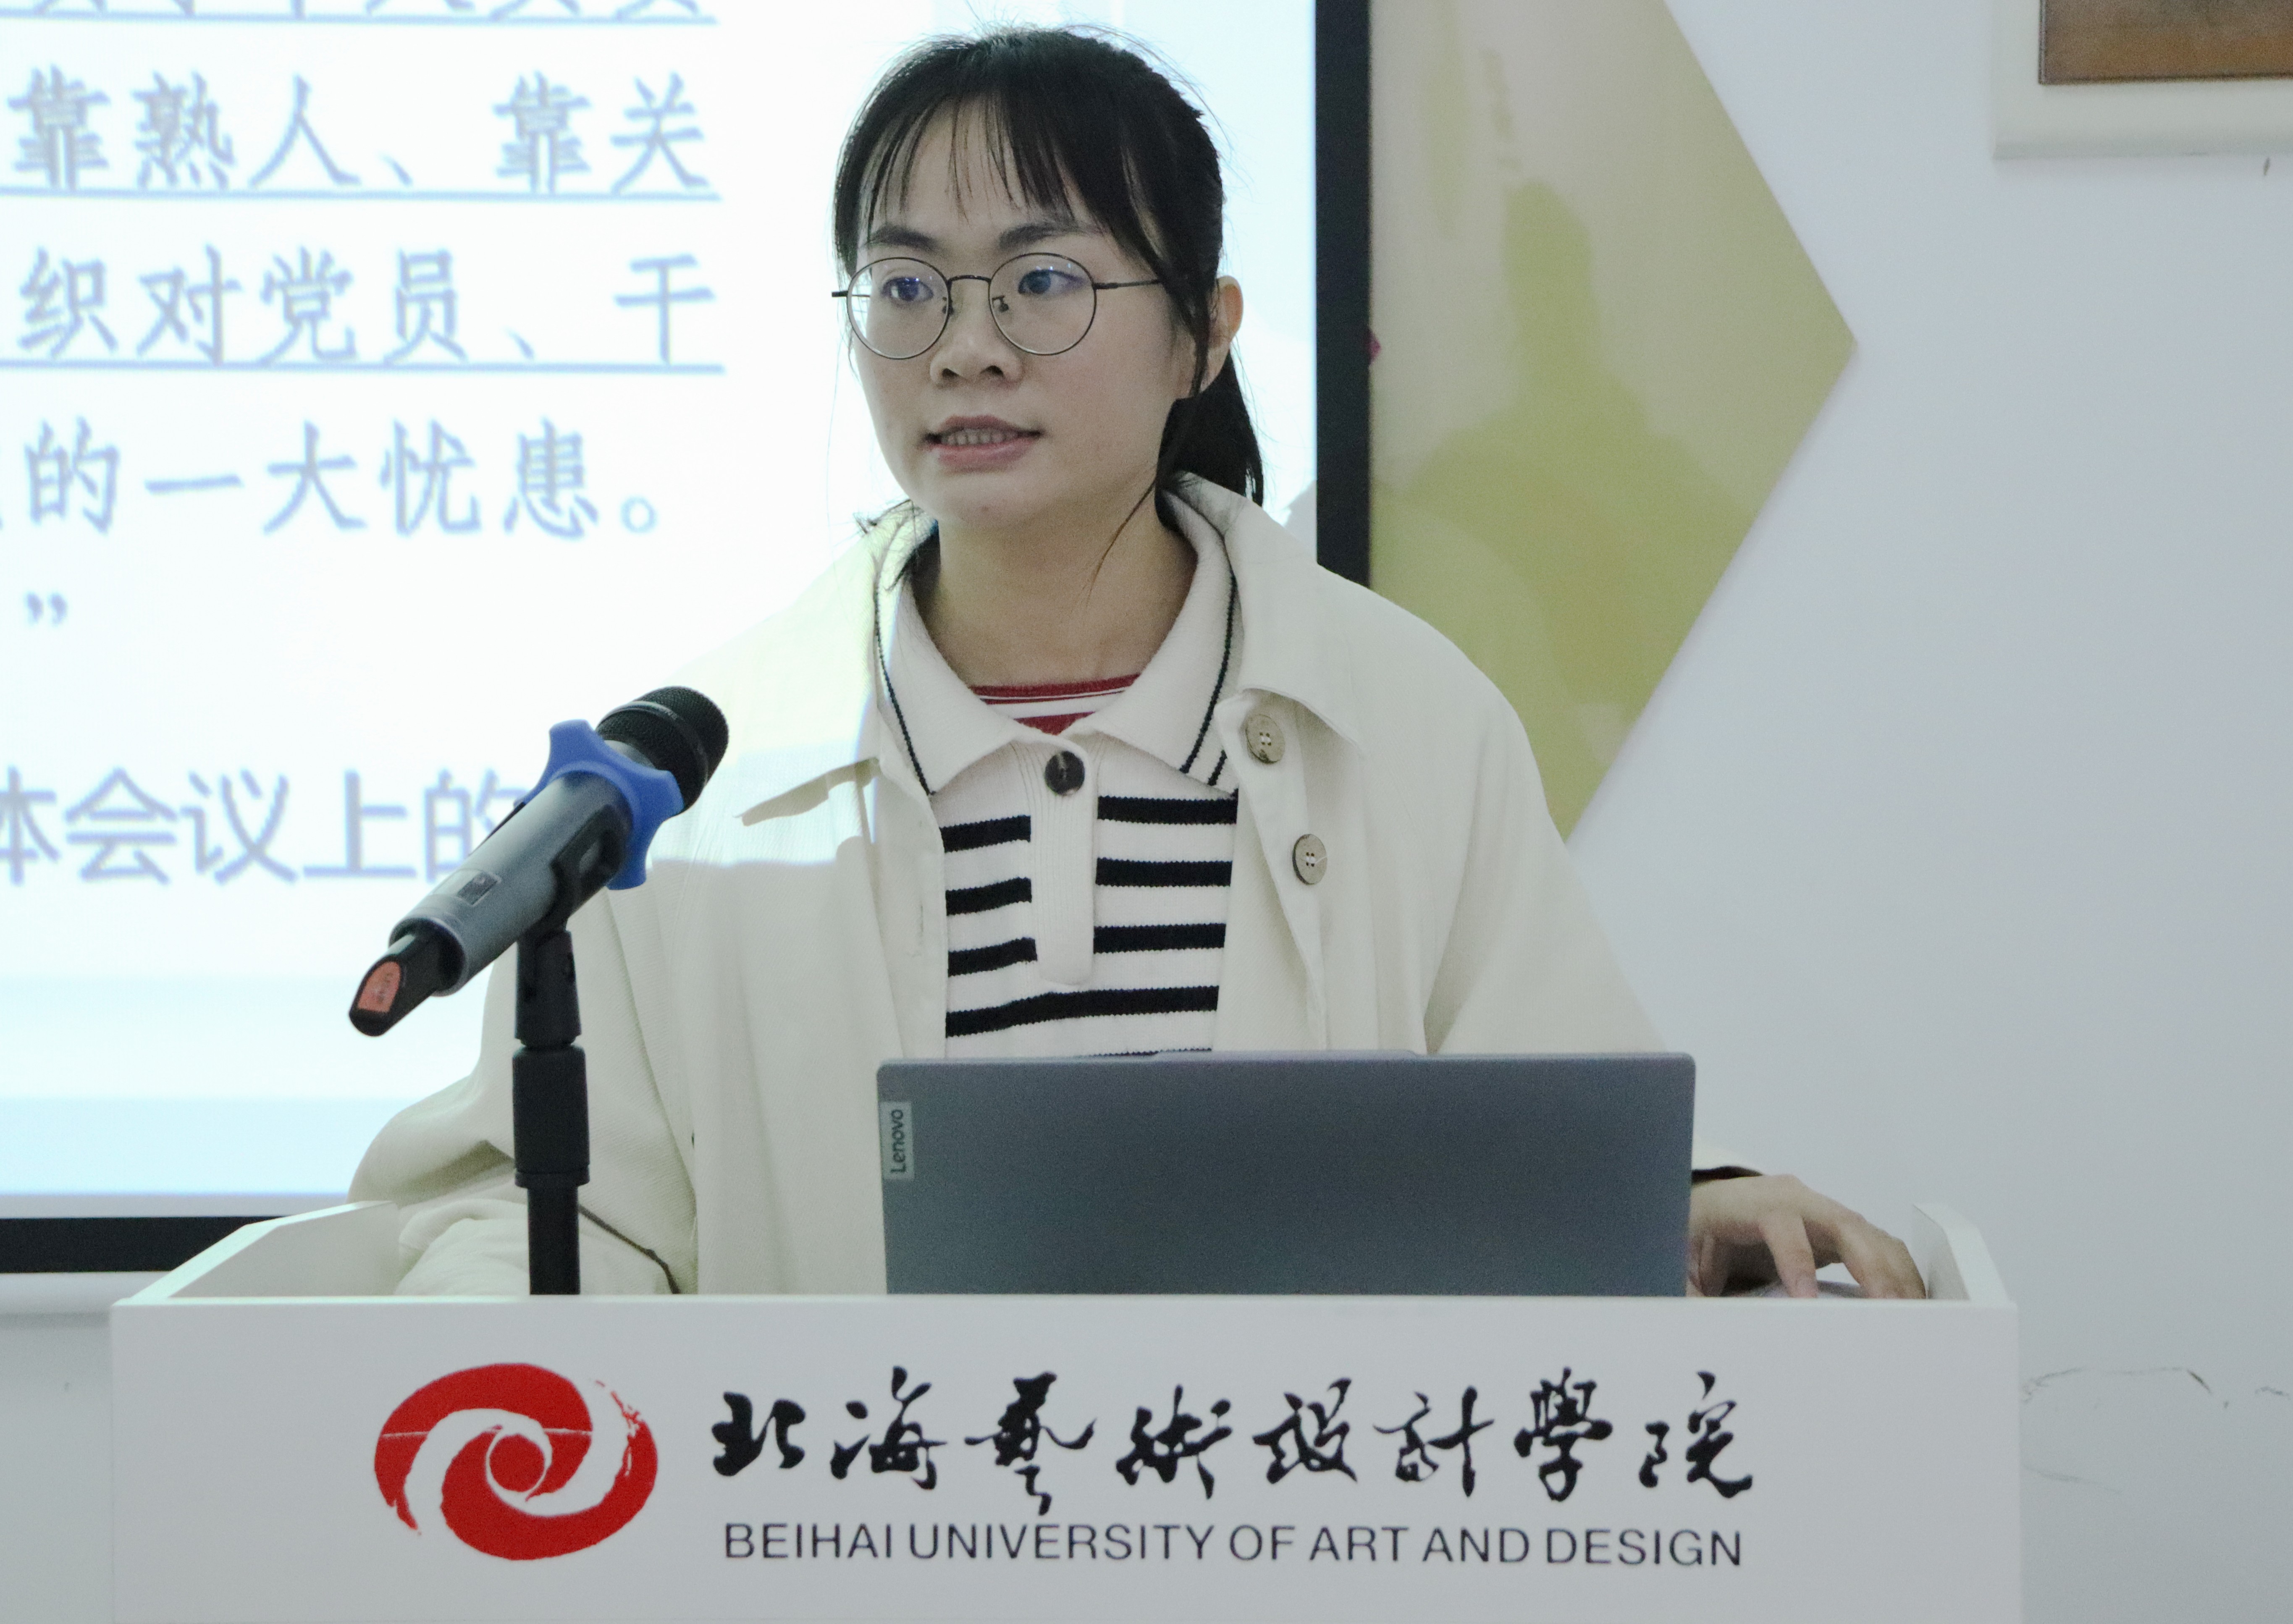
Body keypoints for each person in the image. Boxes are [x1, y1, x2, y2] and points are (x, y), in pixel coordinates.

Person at [351, 25, 1921, 1302]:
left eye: (1042, 281)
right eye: (905, 287)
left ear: (1202, 333)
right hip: (848, 1541)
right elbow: (556, 1220)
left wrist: (1689, 1208)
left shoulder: (1403, 718)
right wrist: (485, 1338)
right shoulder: (698, 780)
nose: (965, 344)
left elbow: (1544, 1151)